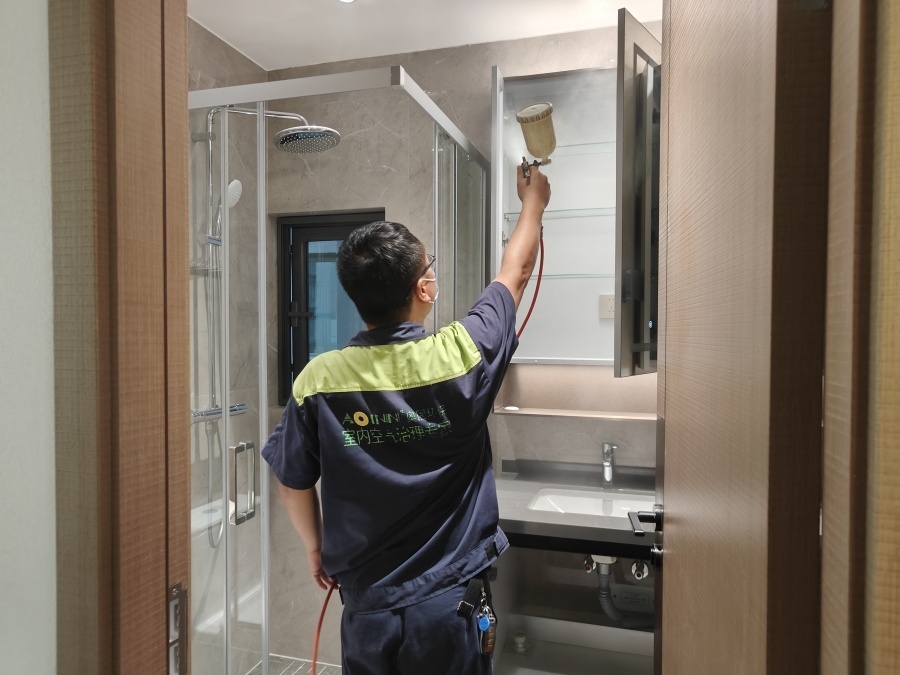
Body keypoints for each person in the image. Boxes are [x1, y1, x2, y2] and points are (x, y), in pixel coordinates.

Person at [261, 162, 550, 674]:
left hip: (367, 606)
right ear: (423, 288)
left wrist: (315, 548)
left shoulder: (318, 379)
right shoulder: (461, 354)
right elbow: (515, 273)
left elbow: (292, 484)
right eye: (429, 267)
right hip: (450, 605)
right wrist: (534, 201)